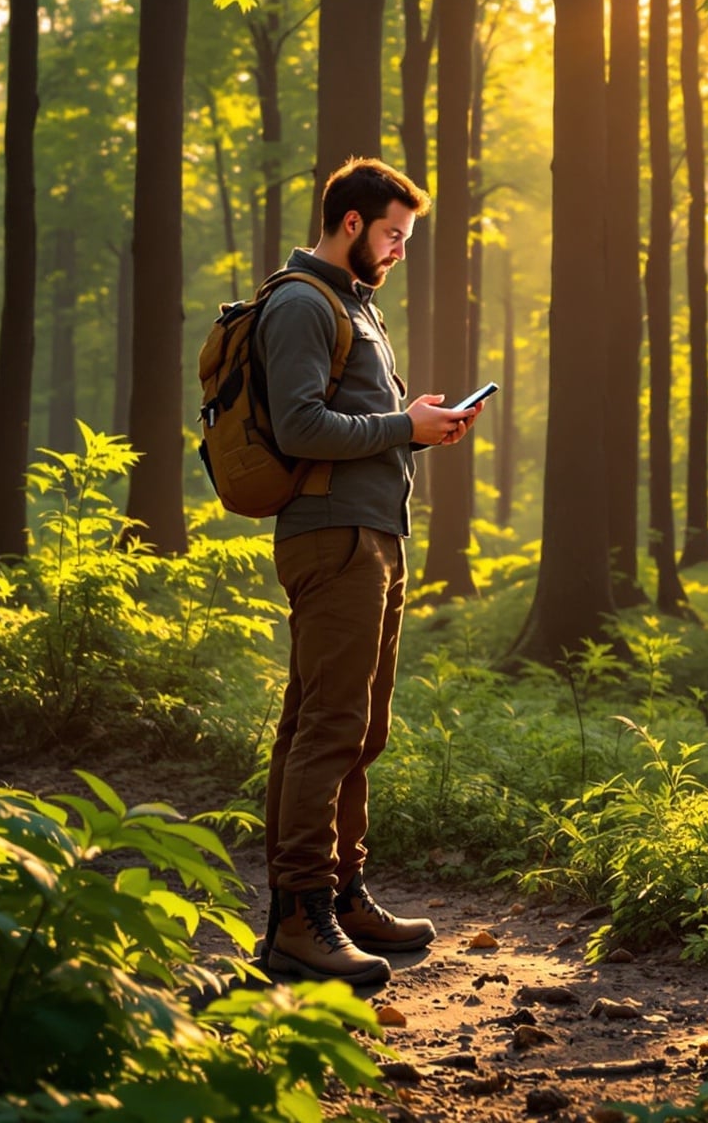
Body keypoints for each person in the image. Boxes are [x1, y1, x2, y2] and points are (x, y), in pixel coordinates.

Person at [257, 157, 476, 988]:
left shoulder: (353, 307)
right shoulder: (302, 302)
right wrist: (401, 426)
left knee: (359, 728)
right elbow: (302, 424)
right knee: (327, 728)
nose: (398, 251)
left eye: (405, 239)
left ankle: (341, 895)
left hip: (373, 535)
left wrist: (417, 427)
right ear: (350, 223)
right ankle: (299, 918)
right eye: (392, 234)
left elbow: (366, 422)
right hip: (332, 536)